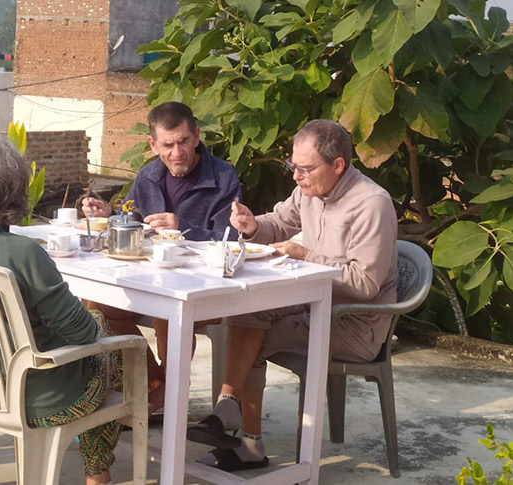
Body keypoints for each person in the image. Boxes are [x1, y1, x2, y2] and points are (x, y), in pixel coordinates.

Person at [186, 119, 399, 472]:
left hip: (354, 323)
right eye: (293, 166)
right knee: (247, 310)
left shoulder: (371, 204)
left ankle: (245, 439)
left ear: (338, 165)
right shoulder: (309, 190)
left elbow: (365, 284)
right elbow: (280, 222)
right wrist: (253, 225)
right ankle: (228, 407)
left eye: (305, 169)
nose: (296, 177)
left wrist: (306, 255)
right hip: (314, 305)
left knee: (255, 333)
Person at [0, 131, 124, 485]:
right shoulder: (24, 253)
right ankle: (97, 472)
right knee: (110, 341)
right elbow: (83, 334)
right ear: (12, 189)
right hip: (39, 397)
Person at [81, 101, 242, 414]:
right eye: (167, 145)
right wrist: (111, 213)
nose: (177, 152)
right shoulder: (148, 175)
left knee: (169, 313)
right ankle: (158, 384)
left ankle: (165, 394)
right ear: (154, 145)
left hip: (202, 287)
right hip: (151, 278)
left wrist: (183, 228)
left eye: (183, 142)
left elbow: (230, 240)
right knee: (97, 304)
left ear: (196, 136)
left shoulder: (222, 177)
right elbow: (132, 214)